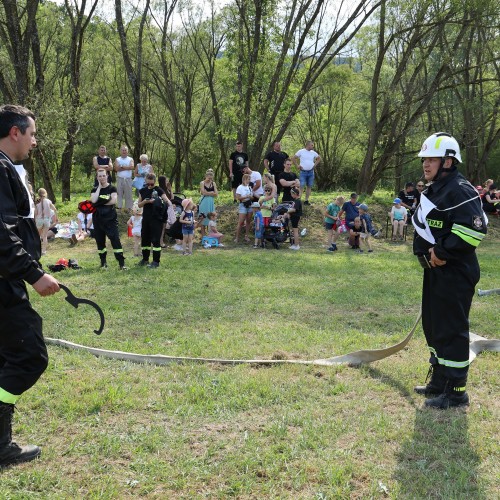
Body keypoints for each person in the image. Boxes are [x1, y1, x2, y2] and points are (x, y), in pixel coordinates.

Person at [0, 104, 60, 466]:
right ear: (15, 132)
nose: (34, 141)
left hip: (7, 279)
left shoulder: (7, 169)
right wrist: (33, 274)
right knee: (28, 355)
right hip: (4, 283)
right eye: (32, 133)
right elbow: (1, 234)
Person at [412, 132, 487, 409]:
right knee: (435, 326)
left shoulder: (460, 189)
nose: (426, 164)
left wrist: (442, 253)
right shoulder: (435, 188)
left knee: (452, 329)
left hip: (455, 271)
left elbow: (474, 229)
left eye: (431, 159)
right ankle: (440, 380)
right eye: (424, 159)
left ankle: (456, 392)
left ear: (448, 161)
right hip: (435, 272)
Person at [90, 168, 127, 270]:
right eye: (99, 176)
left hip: (110, 219)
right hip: (98, 219)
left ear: (107, 176)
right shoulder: (94, 189)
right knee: (100, 241)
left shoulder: (112, 189)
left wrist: (98, 203)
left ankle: (121, 263)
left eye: (103, 175)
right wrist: (99, 189)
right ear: (97, 177)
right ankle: (103, 263)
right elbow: (93, 200)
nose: (102, 177)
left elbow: (113, 201)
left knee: (115, 240)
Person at [137, 173, 172, 268]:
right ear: (145, 181)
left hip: (157, 219)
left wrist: (161, 201)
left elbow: (167, 201)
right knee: (145, 239)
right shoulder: (142, 191)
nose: (150, 186)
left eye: (151, 184)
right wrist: (146, 201)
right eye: (148, 184)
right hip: (146, 218)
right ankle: (145, 259)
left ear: (155, 182)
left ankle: (156, 261)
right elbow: (139, 205)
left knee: (156, 240)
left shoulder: (158, 190)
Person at [292, 140, 320, 205]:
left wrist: (314, 165)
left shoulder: (313, 152)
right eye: (312, 145)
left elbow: (319, 158)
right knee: (301, 185)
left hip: (311, 172)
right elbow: (293, 158)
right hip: (303, 172)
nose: (313, 146)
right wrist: (297, 165)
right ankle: (298, 200)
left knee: (309, 186)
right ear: (308, 145)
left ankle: (306, 200)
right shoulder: (301, 151)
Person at [35, 188, 57, 256]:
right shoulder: (48, 201)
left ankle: (37, 250)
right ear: (45, 193)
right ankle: (44, 251)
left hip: (39, 219)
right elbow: (54, 209)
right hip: (47, 219)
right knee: (44, 236)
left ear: (38, 194)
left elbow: (36, 213)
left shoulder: (37, 202)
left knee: (38, 236)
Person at [114, 145, 134, 212]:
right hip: (120, 178)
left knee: (128, 194)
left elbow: (131, 167)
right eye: (123, 150)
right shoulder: (117, 159)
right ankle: (119, 207)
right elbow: (116, 168)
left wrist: (121, 166)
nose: (124, 151)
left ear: (127, 151)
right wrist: (126, 167)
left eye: (125, 150)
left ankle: (128, 208)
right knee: (119, 193)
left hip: (128, 179)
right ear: (120, 151)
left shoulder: (130, 159)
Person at [198, 169, 218, 236]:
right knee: (203, 218)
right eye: (208, 175)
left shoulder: (213, 183)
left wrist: (208, 193)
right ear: (206, 175)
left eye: (211, 175)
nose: (210, 177)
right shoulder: (202, 183)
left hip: (211, 202)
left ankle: (211, 235)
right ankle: (203, 236)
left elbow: (216, 194)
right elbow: (203, 193)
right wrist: (211, 193)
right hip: (204, 202)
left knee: (211, 217)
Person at [234, 174, 253, 243]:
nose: (249, 181)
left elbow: (252, 197)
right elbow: (238, 197)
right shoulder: (240, 187)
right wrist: (246, 196)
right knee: (241, 222)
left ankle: (246, 236)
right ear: (244, 179)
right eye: (248, 179)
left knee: (248, 221)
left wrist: (250, 197)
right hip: (243, 205)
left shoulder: (249, 187)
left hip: (249, 204)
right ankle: (237, 237)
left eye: (249, 179)